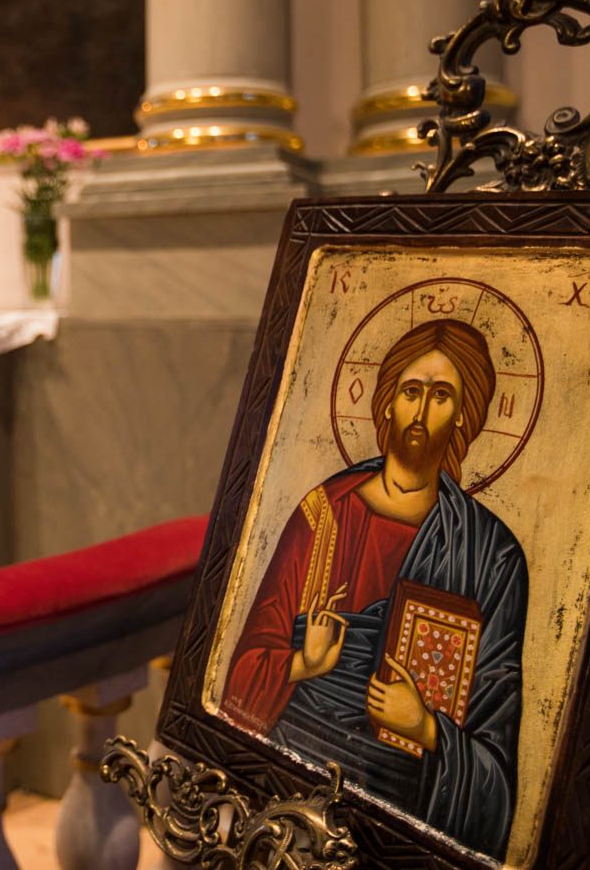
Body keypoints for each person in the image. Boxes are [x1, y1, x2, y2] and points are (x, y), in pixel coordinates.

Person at [221, 319, 528, 859]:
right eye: (411, 391)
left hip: (403, 804)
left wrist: (427, 728)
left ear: (464, 415)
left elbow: (494, 743)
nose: (421, 411)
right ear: (387, 403)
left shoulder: (491, 556)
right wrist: (302, 664)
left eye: (441, 396)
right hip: (293, 787)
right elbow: (244, 670)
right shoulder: (323, 515)